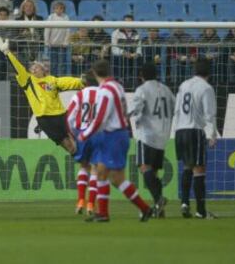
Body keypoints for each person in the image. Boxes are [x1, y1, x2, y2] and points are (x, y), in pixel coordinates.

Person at [0, 33, 85, 154]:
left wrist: (83, 81)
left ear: (43, 69)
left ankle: (88, 165)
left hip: (61, 116)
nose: (33, 69)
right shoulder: (27, 80)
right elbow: (17, 66)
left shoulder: (52, 80)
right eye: (31, 68)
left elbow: (70, 82)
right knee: (70, 148)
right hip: (45, 120)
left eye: (36, 67)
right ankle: (84, 165)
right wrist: (7, 52)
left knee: (79, 142)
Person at [79, 60, 152, 222]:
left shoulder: (105, 91)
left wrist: (85, 134)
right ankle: (103, 213)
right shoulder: (117, 86)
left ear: (95, 73)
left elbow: (100, 118)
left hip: (114, 136)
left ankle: (144, 208)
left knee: (117, 178)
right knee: (102, 173)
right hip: (117, 134)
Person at [128, 63, 175, 218]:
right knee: (153, 172)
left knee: (144, 168)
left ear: (141, 76)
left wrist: (124, 116)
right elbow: (175, 107)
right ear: (156, 74)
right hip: (163, 135)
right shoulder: (166, 90)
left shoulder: (142, 90)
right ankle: (159, 209)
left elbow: (135, 108)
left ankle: (159, 199)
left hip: (147, 135)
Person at [174, 59, 217, 219]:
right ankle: (201, 211)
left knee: (187, 167)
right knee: (199, 170)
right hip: (194, 130)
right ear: (209, 73)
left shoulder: (184, 85)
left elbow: (177, 109)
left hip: (180, 130)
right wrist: (212, 134)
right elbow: (209, 114)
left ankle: (184, 203)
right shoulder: (206, 88)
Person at [66, 71, 100, 215]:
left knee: (83, 166)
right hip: (99, 134)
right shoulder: (103, 93)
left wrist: (74, 134)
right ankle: (91, 204)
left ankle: (80, 200)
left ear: (85, 82)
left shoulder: (79, 95)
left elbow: (69, 118)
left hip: (83, 134)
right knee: (95, 169)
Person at [111, 14, 142, 89]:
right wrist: (123, 53)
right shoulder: (116, 33)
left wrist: (136, 54)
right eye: (126, 22)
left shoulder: (137, 33)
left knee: (138, 59)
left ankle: (134, 82)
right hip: (120, 57)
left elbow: (139, 49)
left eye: (130, 23)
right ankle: (118, 81)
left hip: (132, 57)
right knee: (117, 59)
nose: (128, 25)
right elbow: (114, 49)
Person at [44, 1, 70, 76]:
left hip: (62, 45)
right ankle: (53, 78)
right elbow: (47, 30)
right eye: (57, 8)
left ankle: (62, 79)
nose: (59, 10)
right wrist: (47, 42)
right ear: (54, 9)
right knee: (53, 64)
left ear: (63, 9)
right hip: (52, 45)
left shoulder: (66, 17)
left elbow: (68, 30)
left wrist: (66, 42)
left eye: (61, 8)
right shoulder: (51, 17)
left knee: (62, 64)